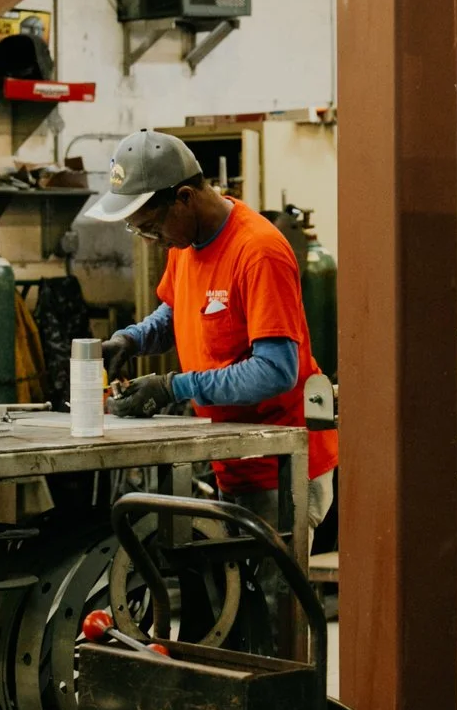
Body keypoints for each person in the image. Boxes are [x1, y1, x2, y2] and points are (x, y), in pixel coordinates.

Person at [85, 130, 336, 535]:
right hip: (234, 457)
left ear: (184, 198)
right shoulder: (185, 244)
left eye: (151, 228)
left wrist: (172, 387)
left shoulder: (258, 251)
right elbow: (177, 310)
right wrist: (131, 340)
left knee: (272, 576)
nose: (151, 242)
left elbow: (276, 371)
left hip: (281, 465)